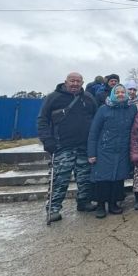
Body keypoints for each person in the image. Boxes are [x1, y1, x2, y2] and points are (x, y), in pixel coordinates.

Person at [38, 72, 98, 222]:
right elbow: (42, 120)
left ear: (82, 82)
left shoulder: (88, 98)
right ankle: (53, 208)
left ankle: (83, 202)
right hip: (62, 146)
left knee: (84, 178)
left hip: (84, 146)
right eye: (72, 81)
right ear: (66, 81)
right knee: (60, 179)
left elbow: (96, 119)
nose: (75, 84)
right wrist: (47, 140)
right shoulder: (53, 97)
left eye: (78, 81)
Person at [88, 84, 137, 218]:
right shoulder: (103, 109)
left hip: (123, 149)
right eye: (117, 92)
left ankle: (113, 203)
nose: (120, 94)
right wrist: (91, 153)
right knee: (102, 179)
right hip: (105, 149)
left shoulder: (131, 108)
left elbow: (136, 129)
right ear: (112, 94)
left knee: (118, 178)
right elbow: (94, 132)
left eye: (123, 92)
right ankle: (100, 205)